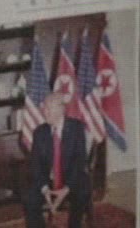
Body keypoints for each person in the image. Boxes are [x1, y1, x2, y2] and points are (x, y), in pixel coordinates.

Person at [21, 94, 91, 228]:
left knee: (83, 191)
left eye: (49, 108)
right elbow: (36, 165)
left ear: (61, 109)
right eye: (44, 108)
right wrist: (45, 189)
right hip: (47, 180)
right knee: (29, 199)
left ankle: (74, 225)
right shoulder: (39, 132)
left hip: (71, 179)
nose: (44, 112)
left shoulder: (76, 128)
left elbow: (80, 162)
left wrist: (66, 188)